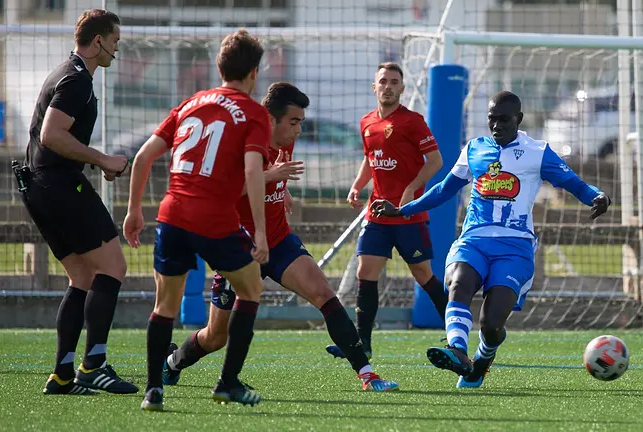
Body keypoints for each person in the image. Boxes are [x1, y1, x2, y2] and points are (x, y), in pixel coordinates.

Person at [161, 82, 399, 392]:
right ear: (271, 119)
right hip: (240, 247)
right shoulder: (243, 143)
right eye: (294, 122)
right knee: (215, 337)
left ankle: (368, 375)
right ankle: (172, 362)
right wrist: (270, 177)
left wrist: (280, 190)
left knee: (323, 293)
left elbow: (275, 173)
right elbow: (224, 191)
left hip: (278, 239)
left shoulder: (285, 139)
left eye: (301, 122)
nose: (299, 130)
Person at [370, 90, 612, 388]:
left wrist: (596, 196)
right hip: (474, 240)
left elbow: (571, 182)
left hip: (515, 248)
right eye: (491, 120)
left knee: (491, 323)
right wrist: (402, 210)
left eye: (504, 120)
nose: (496, 126)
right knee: (458, 283)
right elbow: (445, 189)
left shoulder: (537, 152)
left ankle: (481, 362)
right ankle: (457, 350)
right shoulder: (473, 149)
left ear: (518, 119)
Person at [123, 29, 270, 411]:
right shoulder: (253, 113)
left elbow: (142, 158)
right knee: (250, 289)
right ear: (253, 73)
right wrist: (262, 233)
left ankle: (153, 390)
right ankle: (227, 382)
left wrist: (134, 209)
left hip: (171, 216)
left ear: (221, 68)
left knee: (164, 306)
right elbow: (253, 173)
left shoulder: (190, 103)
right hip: (215, 219)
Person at [23, 9, 137, 396]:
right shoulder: (77, 80)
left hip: (39, 186)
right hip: (58, 184)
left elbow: (51, 137)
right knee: (114, 266)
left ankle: (62, 374)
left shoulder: (65, 72)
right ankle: (95, 364)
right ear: (99, 40)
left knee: (83, 278)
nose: (116, 50)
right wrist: (103, 158)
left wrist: (92, 161)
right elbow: (52, 134)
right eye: (115, 42)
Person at [327, 62, 447, 360]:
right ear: (375, 87)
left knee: (423, 276)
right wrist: (357, 185)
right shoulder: (366, 122)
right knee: (364, 273)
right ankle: (362, 344)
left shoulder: (412, 121)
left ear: (402, 88)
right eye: (383, 81)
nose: (388, 86)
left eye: (394, 82)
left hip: (408, 215)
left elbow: (435, 160)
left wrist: (411, 190)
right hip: (377, 213)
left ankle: (458, 333)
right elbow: (371, 158)